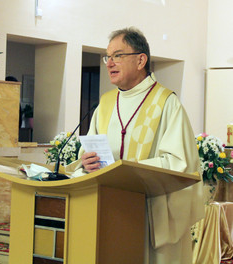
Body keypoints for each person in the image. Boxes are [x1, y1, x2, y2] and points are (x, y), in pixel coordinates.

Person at [73, 27, 204, 264]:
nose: (109, 63)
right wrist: (86, 162)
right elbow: (88, 152)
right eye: (107, 57)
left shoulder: (166, 103)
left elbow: (179, 164)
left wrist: (127, 172)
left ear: (141, 60)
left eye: (118, 56)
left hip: (150, 216)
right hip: (109, 210)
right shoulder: (105, 104)